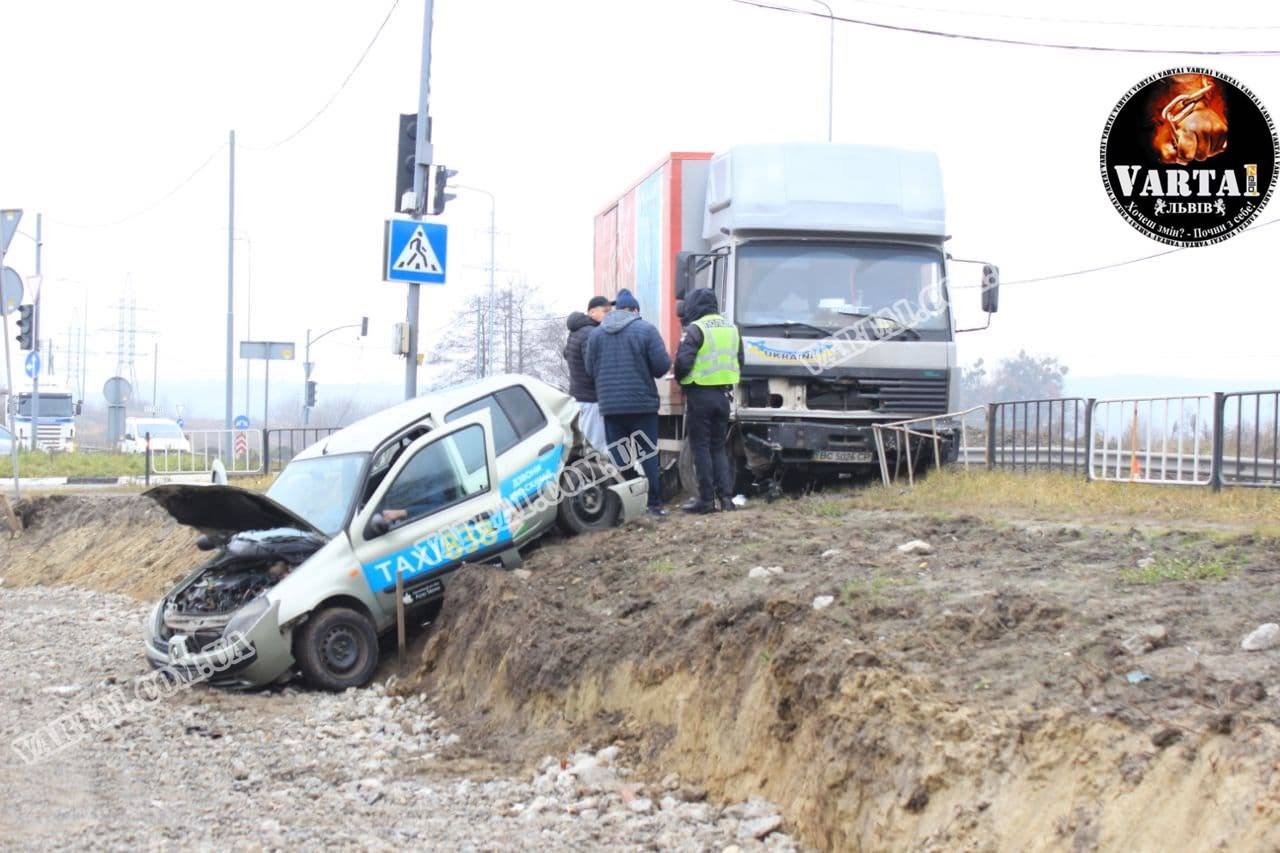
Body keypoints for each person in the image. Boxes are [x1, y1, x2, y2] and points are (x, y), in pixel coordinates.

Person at [585, 288, 671, 517]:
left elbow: (589, 370)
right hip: (642, 406)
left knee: (621, 458)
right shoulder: (646, 330)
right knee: (648, 455)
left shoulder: (595, 335)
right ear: (634, 310)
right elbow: (662, 367)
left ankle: (632, 505)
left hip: (611, 408)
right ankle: (654, 505)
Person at [673, 288, 743, 514]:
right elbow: (740, 360)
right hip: (723, 397)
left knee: (700, 447)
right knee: (718, 448)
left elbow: (683, 363)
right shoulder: (732, 329)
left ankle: (705, 499)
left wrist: (683, 381)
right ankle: (726, 499)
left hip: (700, 396)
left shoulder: (696, 329)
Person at [563, 295, 612, 451]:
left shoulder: (577, 331)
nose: (608, 314)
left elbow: (567, 354)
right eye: (605, 311)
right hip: (591, 399)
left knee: (588, 445)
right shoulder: (591, 333)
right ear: (591, 313)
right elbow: (592, 367)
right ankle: (606, 474)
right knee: (600, 447)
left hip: (579, 397)